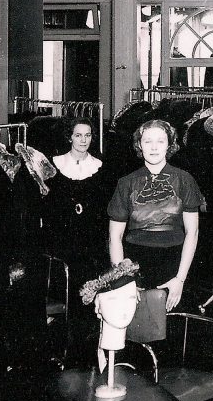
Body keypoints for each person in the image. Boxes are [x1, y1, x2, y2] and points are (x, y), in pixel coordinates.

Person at [107, 119, 202, 311]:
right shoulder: (126, 183)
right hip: (134, 264)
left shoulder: (184, 180)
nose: (154, 147)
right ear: (139, 145)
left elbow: (193, 232)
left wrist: (180, 279)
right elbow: (114, 237)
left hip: (176, 263)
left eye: (160, 141)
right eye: (147, 141)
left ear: (169, 144)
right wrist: (124, 281)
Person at [42, 117, 112, 343]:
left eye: (88, 135)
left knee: (90, 300)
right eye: (78, 135)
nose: (83, 140)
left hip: (91, 247)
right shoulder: (53, 166)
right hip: (62, 246)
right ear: (69, 137)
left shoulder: (101, 168)